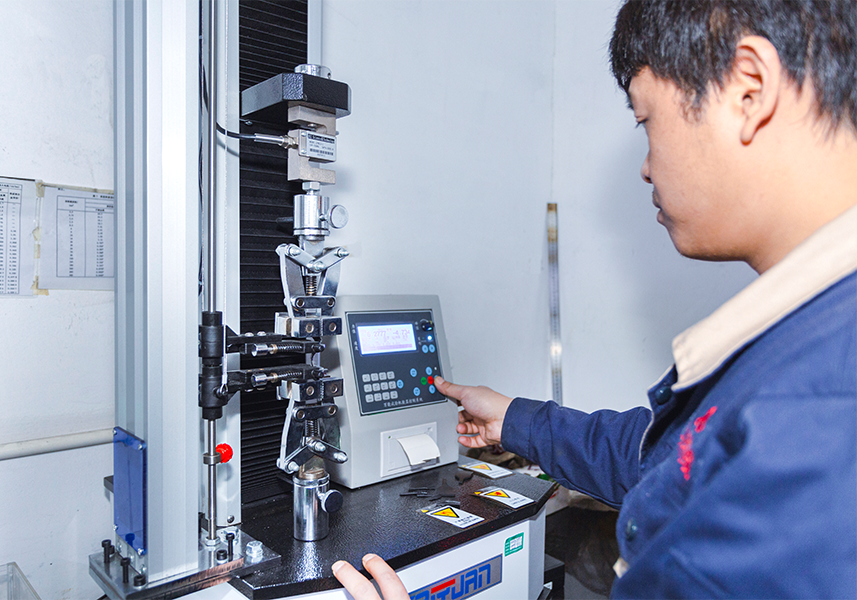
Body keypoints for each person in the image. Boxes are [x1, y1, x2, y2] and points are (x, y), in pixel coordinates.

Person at [333, 0, 857, 597]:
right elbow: (669, 457)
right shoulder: (806, 341)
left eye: (646, 120)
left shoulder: (821, 402)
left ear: (749, 88)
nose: (646, 167)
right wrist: (514, 419)